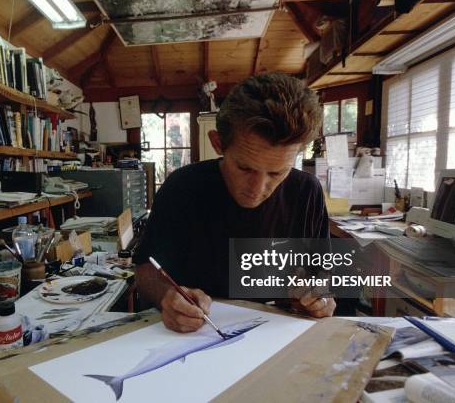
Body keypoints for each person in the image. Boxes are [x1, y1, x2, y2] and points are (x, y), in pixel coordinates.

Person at [134, 73, 336, 333]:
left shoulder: (307, 191)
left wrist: (318, 298)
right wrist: (166, 297)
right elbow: (145, 271)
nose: (257, 189)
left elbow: (322, 274)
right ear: (218, 143)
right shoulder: (182, 187)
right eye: (244, 168)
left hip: (274, 336)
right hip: (194, 337)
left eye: (276, 173)